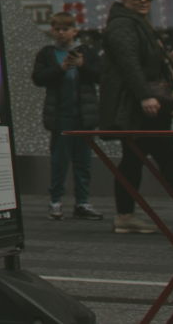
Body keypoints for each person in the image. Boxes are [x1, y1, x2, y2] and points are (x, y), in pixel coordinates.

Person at [100, 0, 173, 235]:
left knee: (133, 160)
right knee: (168, 157)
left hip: (139, 104)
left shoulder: (135, 23)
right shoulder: (123, 24)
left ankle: (125, 217)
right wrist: (146, 96)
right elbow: (129, 64)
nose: (143, 1)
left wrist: (170, 60)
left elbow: (143, 63)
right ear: (124, 0)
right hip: (141, 106)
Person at [31, 12, 101, 222]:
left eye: (65, 29)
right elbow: (38, 78)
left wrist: (82, 66)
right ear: (52, 31)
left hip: (84, 116)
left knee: (84, 161)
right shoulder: (47, 53)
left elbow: (100, 75)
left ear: (75, 31)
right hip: (61, 115)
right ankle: (56, 201)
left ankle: (82, 202)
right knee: (59, 160)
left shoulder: (86, 52)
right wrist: (60, 69)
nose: (61, 33)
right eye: (57, 29)